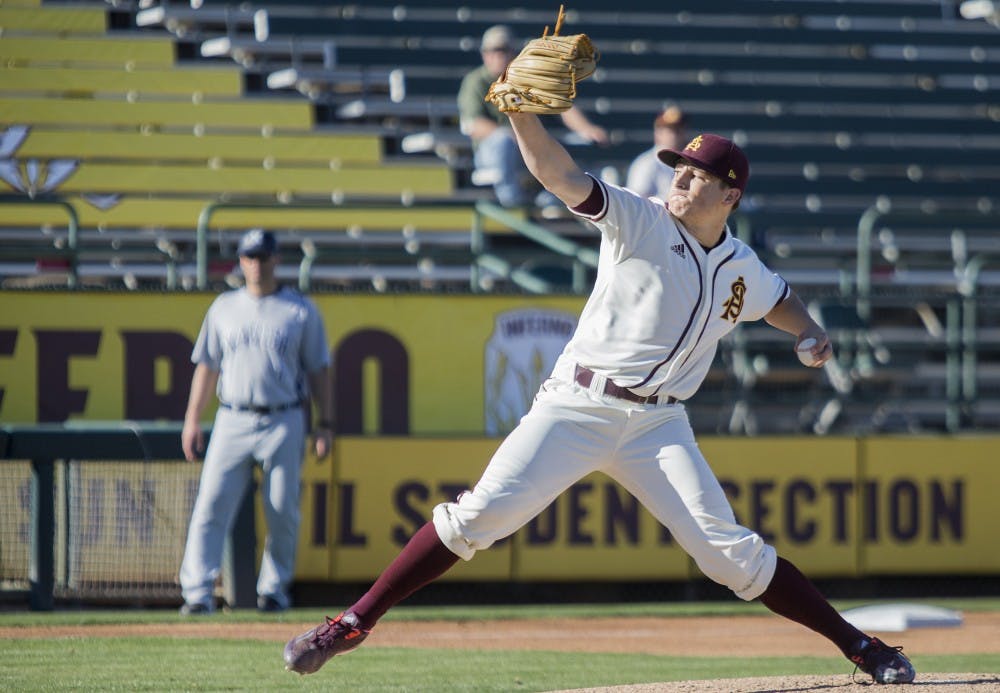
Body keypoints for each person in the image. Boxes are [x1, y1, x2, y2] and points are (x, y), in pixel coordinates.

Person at [282, 119, 916, 685]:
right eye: (680, 170)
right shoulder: (639, 219)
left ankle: (860, 647)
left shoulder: (741, 266)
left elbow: (778, 300)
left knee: (732, 557)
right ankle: (352, 623)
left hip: (659, 424)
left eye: (697, 176)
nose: (682, 181)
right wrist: (518, 115)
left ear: (731, 194)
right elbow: (556, 173)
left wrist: (807, 331)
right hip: (577, 405)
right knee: (474, 519)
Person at [179, 228, 333, 614]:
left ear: (275, 260)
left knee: (282, 508)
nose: (255, 264)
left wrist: (325, 423)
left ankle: (274, 590)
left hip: (283, 417)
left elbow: (319, 371)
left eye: (262, 257)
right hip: (232, 416)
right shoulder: (224, 307)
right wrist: (192, 419)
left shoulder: (298, 308)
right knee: (211, 504)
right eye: (249, 256)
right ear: (241, 261)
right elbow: (207, 367)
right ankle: (197, 593)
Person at [458, 25, 609, 209]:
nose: (499, 55)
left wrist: (586, 129)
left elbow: (563, 107)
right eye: (494, 50)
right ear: (484, 54)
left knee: (570, 143)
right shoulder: (476, 81)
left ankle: (553, 202)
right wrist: (512, 135)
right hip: (493, 151)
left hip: (526, 147)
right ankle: (512, 203)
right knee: (503, 141)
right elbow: (473, 124)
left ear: (513, 53)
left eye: (504, 50)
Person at [625, 105, 687, 199]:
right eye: (670, 130)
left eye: (678, 129)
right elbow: (636, 203)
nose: (675, 135)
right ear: (658, 133)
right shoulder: (646, 164)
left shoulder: (689, 162)